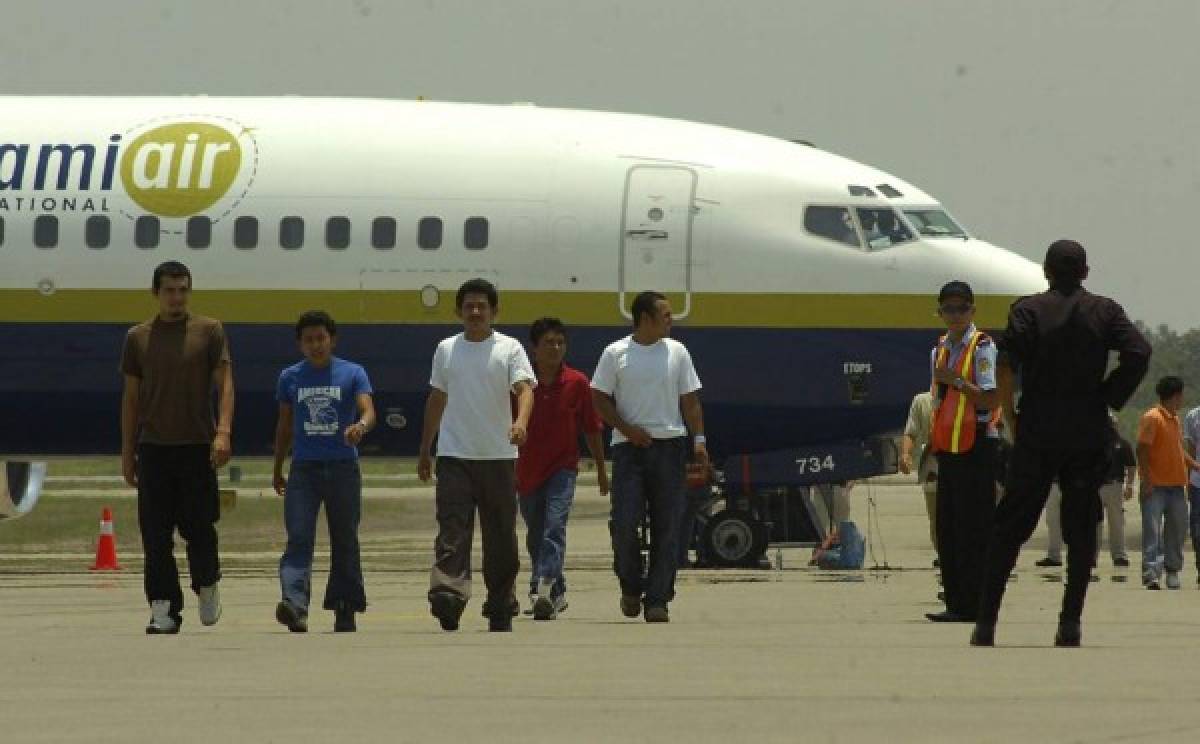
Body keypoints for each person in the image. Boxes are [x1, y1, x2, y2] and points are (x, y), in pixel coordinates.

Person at [972, 239, 1150, 648]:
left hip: (1037, 429)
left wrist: (1011, 415)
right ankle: (1069, 624)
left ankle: (986, 624)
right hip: (1086, 430)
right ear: (1085, 272)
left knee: (1009, 526)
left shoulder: (1028, 310)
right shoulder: (1105, 311)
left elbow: (1005, 362)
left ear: (1047, 272)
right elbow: (1139, 351)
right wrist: (1107, 395)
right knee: (1082, 527)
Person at [120, 261, 234, 634]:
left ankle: (207, 583)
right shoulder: (137, 338)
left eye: (183, 289)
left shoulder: (209, 331)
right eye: (169, 290)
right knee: (155, 536)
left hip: (197, 446)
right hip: (154, 448)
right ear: (156, 293)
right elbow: (131, 399)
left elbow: (226, 385)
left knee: (199, 527)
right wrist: (128, 452)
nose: (177, 297)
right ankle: (164, 608)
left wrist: (223, 432)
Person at [418, 278, 535, 632]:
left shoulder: (509, 348)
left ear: (494, 311)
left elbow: (525, 389)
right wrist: (426, 448)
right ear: (458, 311)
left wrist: (521, 422)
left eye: (482, 306)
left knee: (500, 536)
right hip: (454, 455)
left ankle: (501, 602)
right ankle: (448, 595)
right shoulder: (446, 349)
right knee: (452, 529)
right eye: (468, 306)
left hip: (498, 456)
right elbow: (437, 398)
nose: (475, 312)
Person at [591, 290, 708, 623]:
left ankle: (658, 598)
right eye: (666, 315)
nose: (672, 320)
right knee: (625, 523)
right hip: (630, 450)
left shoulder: (677, 352)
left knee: (667, 527)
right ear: (645, 318)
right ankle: (630, 584)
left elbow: (691, 401)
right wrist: (627, 430)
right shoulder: (615, 354)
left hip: (669, 448)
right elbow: (599, 398)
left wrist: (699, 439)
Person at [272, 311, 375, 633]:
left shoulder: (352, 372)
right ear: (300, 344)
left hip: (343, 468)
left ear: (332, 340)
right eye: (308, 340)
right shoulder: (290, 377)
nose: (316, 345)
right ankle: (294, 604)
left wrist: (359, 427)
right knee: (299, 537)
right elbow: (285, 425)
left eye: (321, 338)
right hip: (304, 469)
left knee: (345, 539)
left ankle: (345, 605)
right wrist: (277, 466)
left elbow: (368, 410)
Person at [517, 317, 608, 620]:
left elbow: (592, 428)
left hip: (563, 468)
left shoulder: (578, 383)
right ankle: (558, 592)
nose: (555, 348)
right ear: (534, 349)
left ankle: (540, 589)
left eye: (560, 342)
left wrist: (600, 467)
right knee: (535, 533)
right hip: (528, 469)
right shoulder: (521, 385)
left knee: (554, 528)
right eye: (548, 343)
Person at [924, 281, 1000, 624]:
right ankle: (956, 602)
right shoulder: (940, 348)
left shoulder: (982, 347)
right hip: (949, 448)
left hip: (978, 446)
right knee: (949, 528)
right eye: (948, 310)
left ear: (972, 311)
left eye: (961, 309)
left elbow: (988, 397)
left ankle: (977, 603)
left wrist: (955, 380)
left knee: (975, 528)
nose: (954, 316)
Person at [1036, 422, 1136, 569]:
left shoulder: (1120, 444)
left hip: (1108, 485)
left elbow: (1131, 465)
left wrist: (1129, 485)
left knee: (1115, 522)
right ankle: (1068, 556)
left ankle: (1118, 555)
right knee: (1085, 523)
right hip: (1070, 484)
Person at [1136, 377, 1200, 590]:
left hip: (1176, 486)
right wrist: (1145, 480)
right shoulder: (1152, 417)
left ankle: (1172, 571)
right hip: (1155, 486)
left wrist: (1196, 466)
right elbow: (1142, 449)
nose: (1183, 399)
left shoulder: (1174, 419)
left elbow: (1177, 450)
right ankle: (1151, 573)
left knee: (1177, 531)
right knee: (1152, 531)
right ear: (1175, 395)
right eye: (1181, 395)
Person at [899, 390, 938, 557]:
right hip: (932, 471)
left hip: (959, 471)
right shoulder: (922, 401)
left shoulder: (963, 399)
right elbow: (911, 432)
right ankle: (944, 555)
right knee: (936, 519)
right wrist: (905, 454)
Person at [1185, 404, 1200, 582]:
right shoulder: (1193, 415)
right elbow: (1190, 450)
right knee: (1196, 528)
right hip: (1197, 482)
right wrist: (1188, 481)